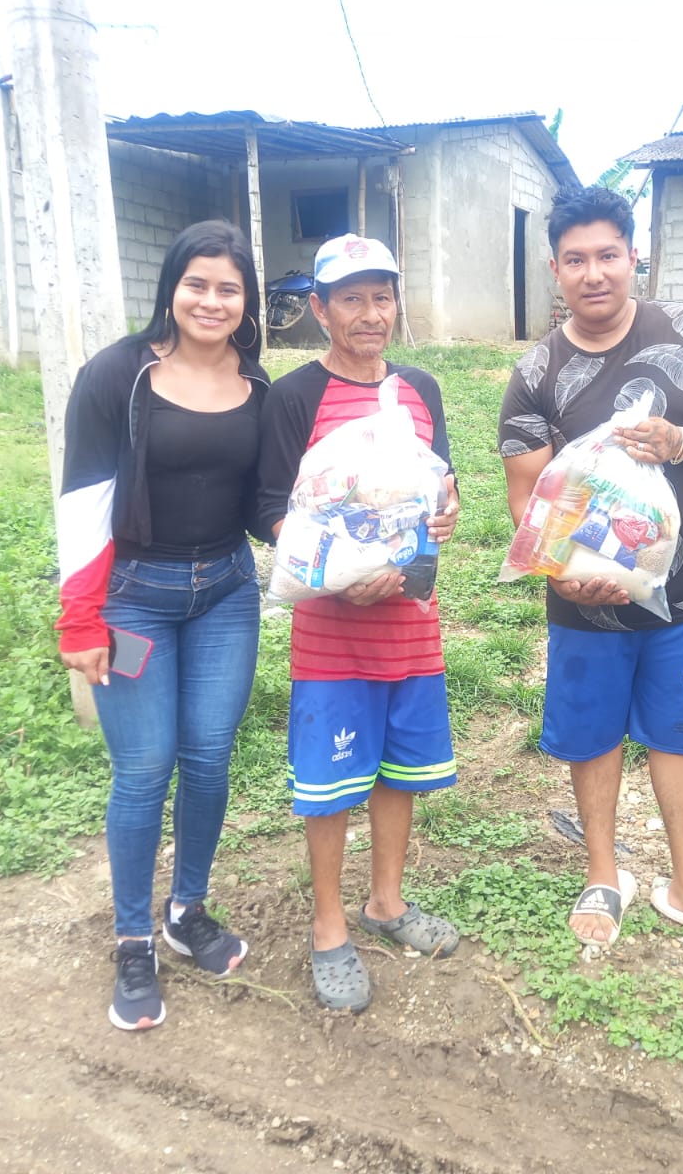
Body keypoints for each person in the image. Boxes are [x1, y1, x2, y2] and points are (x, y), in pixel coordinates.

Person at [498, 186, 683, 955]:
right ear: (555, 269)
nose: (593, 273)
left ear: (633, 256)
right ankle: (603, 873)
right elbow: (527, 493)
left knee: (679, 732)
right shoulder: (536, 372)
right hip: (585, 597)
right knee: (592, 735)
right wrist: (557, 572)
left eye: (607, 255)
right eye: (575, 260)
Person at [56, 220, 271, 1031]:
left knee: (209, 758)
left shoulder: (257, 383)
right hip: (134, 599)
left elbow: (266, 501)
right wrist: (80, 618)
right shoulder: (119, 375)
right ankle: (133, 939)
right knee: (144, 769)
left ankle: (187, 912)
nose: (212, 301)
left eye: (229, 289)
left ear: (248, 301)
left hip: (226, 592)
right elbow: (83, 502)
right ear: (171, 288)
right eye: (197, 284)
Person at [256, 233, 463, 1013]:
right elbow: (269, 509)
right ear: (320, 309)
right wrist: (342, 576)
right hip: (331, 633)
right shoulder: (295, 397)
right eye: (351, 299)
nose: (370, 313)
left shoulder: (420, 389)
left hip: (410, 622)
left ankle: (386, 901)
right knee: (329, 783)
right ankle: (328, 926)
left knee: (399, 770)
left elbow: (441, 486)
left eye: (382, 296)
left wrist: (446, 517)